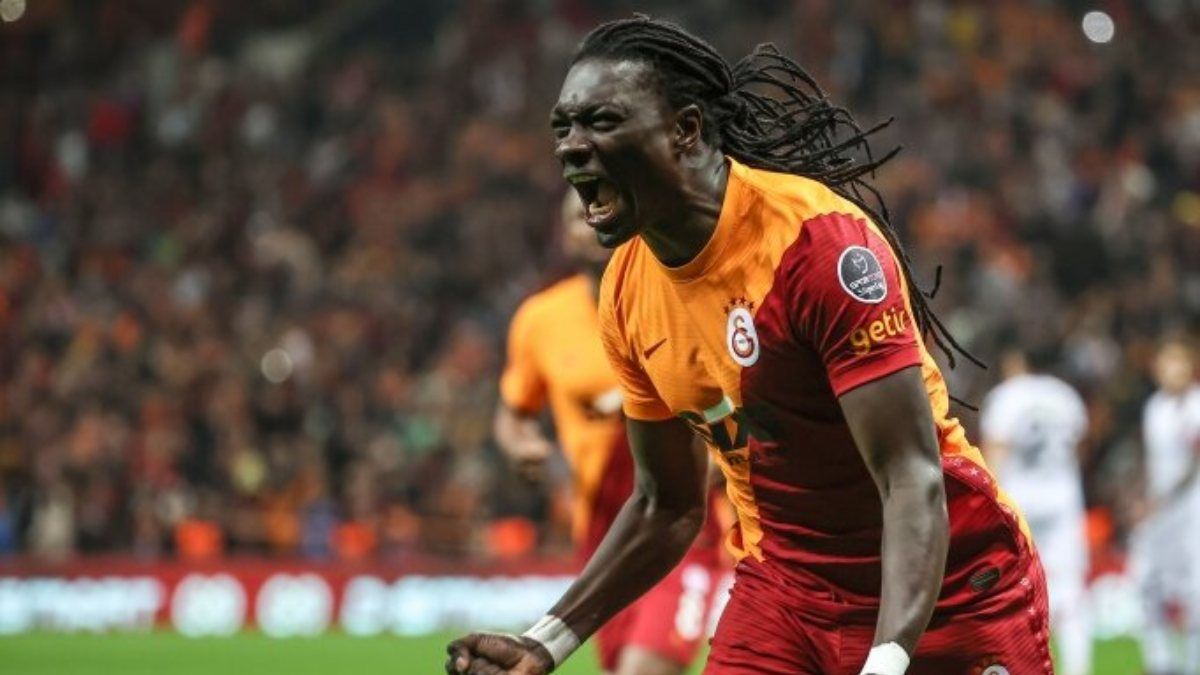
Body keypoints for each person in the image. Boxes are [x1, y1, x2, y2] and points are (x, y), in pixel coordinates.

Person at [447, 16, 1050, 675]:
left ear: (686, 129)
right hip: (788, 593)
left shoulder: (816, 246)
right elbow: (666, 504)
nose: (571, 146)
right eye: (563, 126)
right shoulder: (625, 292)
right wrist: (544, 642)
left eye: (602, 121)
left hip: (951, 592)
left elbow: (909, 476)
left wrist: (884, 663)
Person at [494, 193, 727, 675]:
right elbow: (514, 410)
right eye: (579, 215)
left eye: (605, 205)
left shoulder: (680, 296)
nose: (592, 219)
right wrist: (522, 445)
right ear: (564, 234)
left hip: (686, 518)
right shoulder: (540, 319)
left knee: (643, 669)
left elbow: (732, 390)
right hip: (606, 531)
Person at [980, 347, 1092, 675]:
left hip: (1020, 501)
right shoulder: (1065, 396)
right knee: (1069, 589)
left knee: (1011, 589)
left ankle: (1013, 667)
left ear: (1016, 361)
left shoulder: (1006, 396)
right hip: (1062, 501)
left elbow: (996, 451)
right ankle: (1078, 668)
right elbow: (1082, 446)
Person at [1132, 338, 1200, 675]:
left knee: (1194, 588)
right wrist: (1141, 495)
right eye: (1167, 362)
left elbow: (1193, 465)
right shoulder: (1154, 407)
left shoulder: (1196, 406)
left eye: (1179, 362)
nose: (1173, 369)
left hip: (1191, 510)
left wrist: (1162, 498)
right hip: (1159, 510)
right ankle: (1159, 661)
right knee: (1147, 580)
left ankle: (1190, 662)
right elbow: (1153, 462)